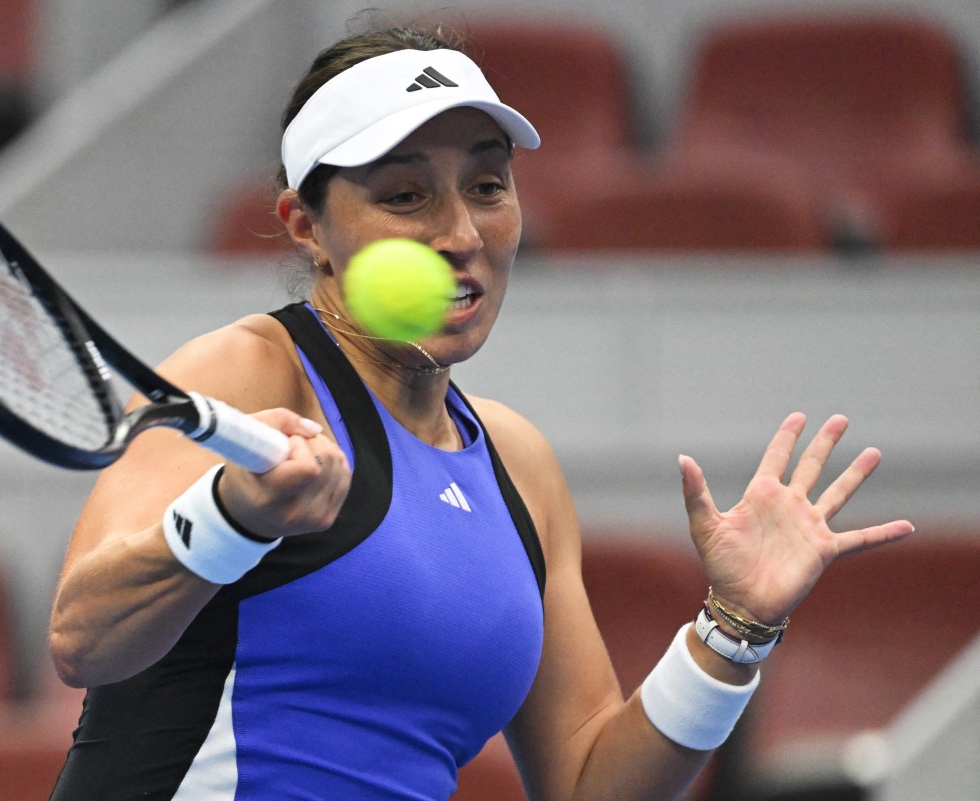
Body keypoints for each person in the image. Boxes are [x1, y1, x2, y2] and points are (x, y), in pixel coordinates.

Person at [46, 22, 914, 801]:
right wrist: (230, 513)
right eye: (405, 195)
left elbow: (584, 783)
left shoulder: (517, 461)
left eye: (488, 186)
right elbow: (84, 636)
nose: (461, 232)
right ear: (305, 226)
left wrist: (733, 629)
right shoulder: (247, 374)